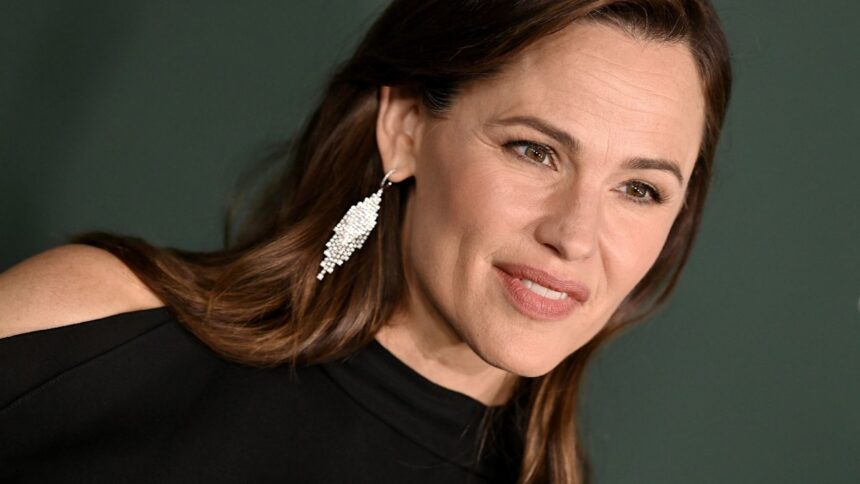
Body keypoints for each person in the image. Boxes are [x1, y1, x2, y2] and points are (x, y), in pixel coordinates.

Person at [0, 0, 732, 482]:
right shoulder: (89, 329)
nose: (574, 236)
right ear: (405, 128)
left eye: (640, 189)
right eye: (534, 151)